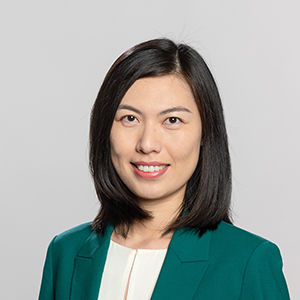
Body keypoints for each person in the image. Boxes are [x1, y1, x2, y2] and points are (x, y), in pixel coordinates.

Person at [38, 38, 290, 300]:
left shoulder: (247, 262)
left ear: (205, 134)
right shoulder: (65, 253)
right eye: (130, 118)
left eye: (172, 120)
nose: (147, 144)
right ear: (104, 130)